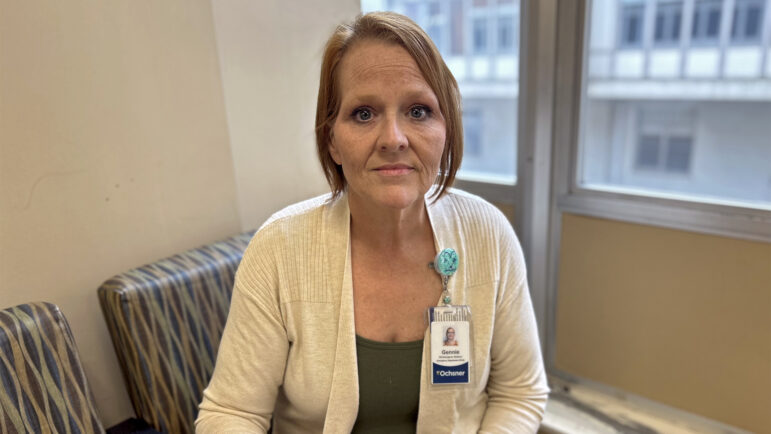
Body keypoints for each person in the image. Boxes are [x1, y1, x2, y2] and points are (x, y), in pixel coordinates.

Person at [196, 11, 548, 433]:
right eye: (364, 114)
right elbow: (232, 413)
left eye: (419, 111)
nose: (393, 139)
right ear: (332, 141)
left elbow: (520, 391)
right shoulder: (279, 249)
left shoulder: (488, 235)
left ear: (447, 131)